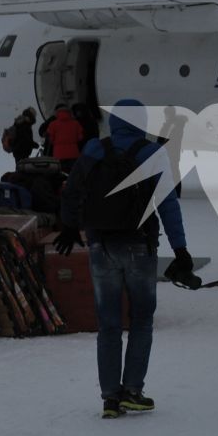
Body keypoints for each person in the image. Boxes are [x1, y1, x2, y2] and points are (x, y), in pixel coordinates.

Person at [55, 99, 198, 419]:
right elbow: (168, 205)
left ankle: (109, 398)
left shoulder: (93, 149)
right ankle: (132, 390)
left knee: (108, 324)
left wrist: (68, 226)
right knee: (142, 320)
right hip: (139, 246)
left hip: (100, 246)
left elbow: (72, 191)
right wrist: (181, 250)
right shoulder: (151, 153)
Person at [42, 103, 86, 170]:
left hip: (58, 154)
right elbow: (80, 137)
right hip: (73, 153)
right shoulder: (76, 123)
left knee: (60, 173)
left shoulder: (53, 124)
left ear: (57, 113)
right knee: (73, 173)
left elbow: (50, 139)